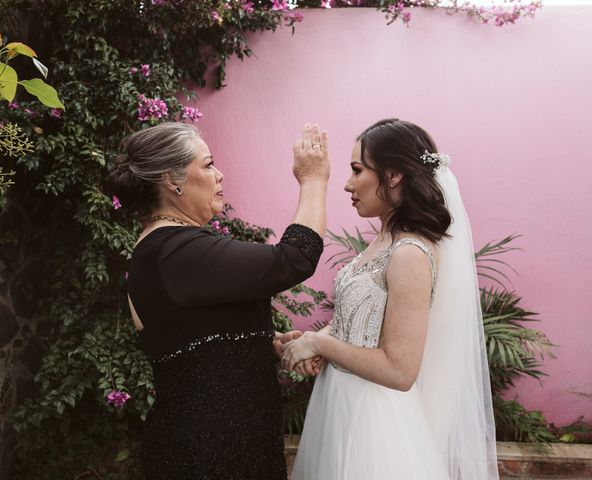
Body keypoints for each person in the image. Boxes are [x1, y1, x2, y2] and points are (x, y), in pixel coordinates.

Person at [108, 121, 329, 479]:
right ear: (172, 180)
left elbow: (191, 341)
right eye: (208, 165)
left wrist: (264, 345)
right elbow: (294, 259)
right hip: (211, 449)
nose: (220, 175)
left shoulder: (163, 250)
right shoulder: (174, 250)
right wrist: (314, 179)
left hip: (219, 439)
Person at [282, 119, 499, 480]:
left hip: (374, 422)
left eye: (357, 170)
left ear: (394, 174)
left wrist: (320, 341)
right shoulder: (383, 241)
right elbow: (364, 325)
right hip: (340, 406)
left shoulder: (410, 252)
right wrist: (311, 342)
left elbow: (399, 371)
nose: (349, 184)